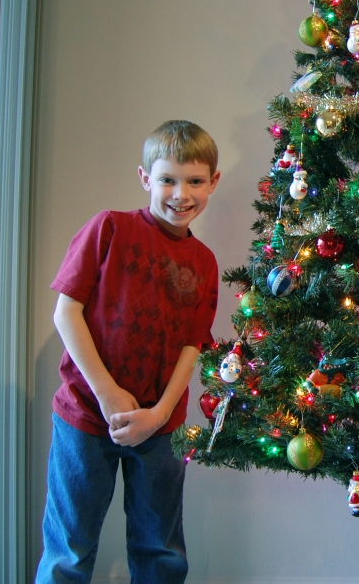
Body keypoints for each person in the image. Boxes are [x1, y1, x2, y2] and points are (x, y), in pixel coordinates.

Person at [36, 120, 221, 583]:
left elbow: (192, 343)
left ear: (213, 183)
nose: (182, 193)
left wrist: (158, 414)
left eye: (195, 181)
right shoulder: (109, 229)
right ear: (145, 179)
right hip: (86, 416)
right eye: (168, 180)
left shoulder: (205, 262)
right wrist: (108, 395)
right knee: (70, 549)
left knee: (160, 549)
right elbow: (66, 313)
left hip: (160, 428)